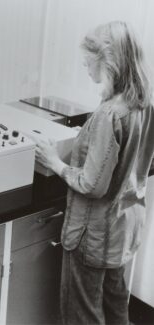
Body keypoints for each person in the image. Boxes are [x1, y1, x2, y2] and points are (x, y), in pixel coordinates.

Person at [35, 21, 154, 324]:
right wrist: (88, 141)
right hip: (124, 230)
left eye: (88, 61)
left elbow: (92, 184)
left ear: (108, 62)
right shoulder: (144, 103)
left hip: (93, 235)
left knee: (81, 315)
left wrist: (54, 161)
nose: (85, 67)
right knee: (116, 310)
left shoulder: (109, 113)